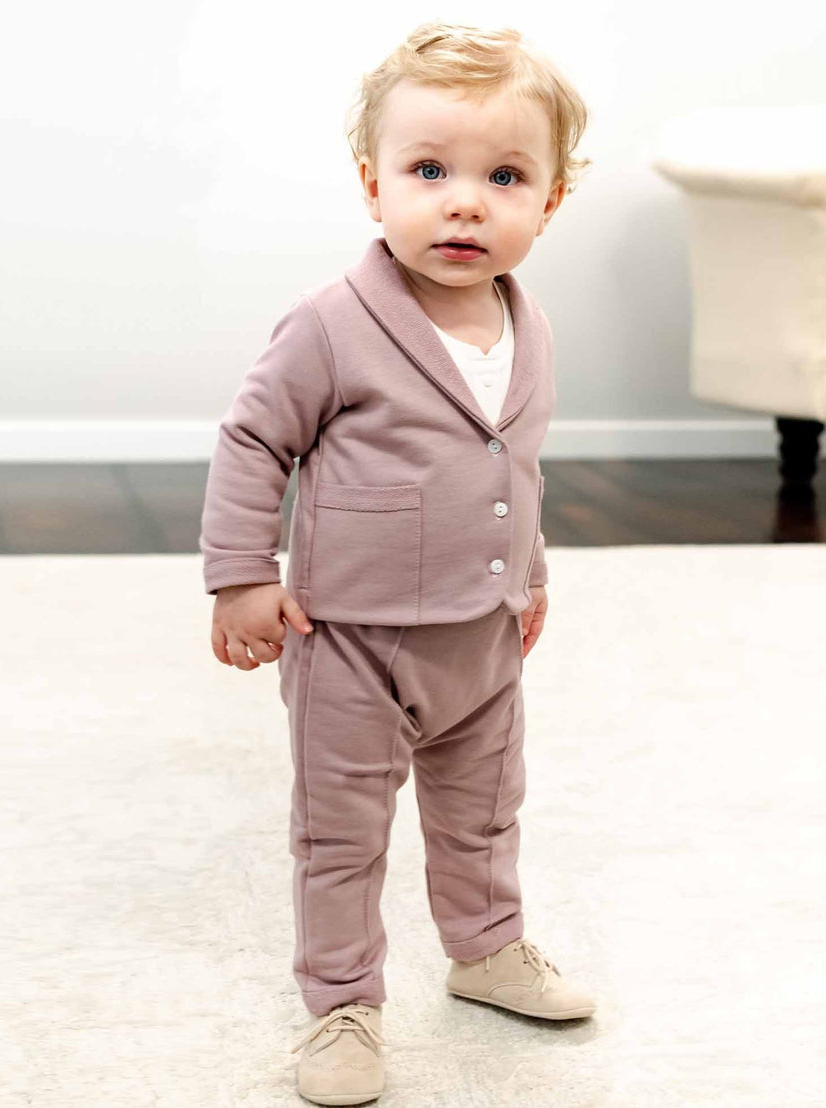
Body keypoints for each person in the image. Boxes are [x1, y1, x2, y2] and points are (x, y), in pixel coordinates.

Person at [199, 21, 595, 1105]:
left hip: (480, 636)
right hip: (351, 640)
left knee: (484, 810)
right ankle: (340, 1002)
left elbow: (513, 470)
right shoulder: (331, 324)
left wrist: (533, 571)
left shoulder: (529, 326)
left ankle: (486, 948)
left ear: (547, 202)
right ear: (375, 186)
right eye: (430, 171)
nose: (465, 200)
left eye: (504, 176)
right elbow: (253, 441)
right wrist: (241, 574)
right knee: (341, 831)